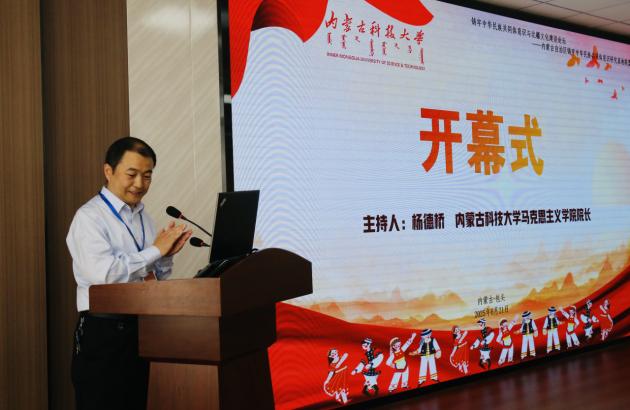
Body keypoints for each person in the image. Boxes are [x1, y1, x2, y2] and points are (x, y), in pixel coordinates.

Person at [66, 136, 192, 410]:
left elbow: (153, 278)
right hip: (104, 334)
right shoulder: (89, 217)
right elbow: (105, 275)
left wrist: (165, 255)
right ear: (108, 171)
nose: (140, 184)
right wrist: (155, 251)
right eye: (132, 174)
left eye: (147, 176)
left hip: (143, 330)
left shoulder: (144, 217)